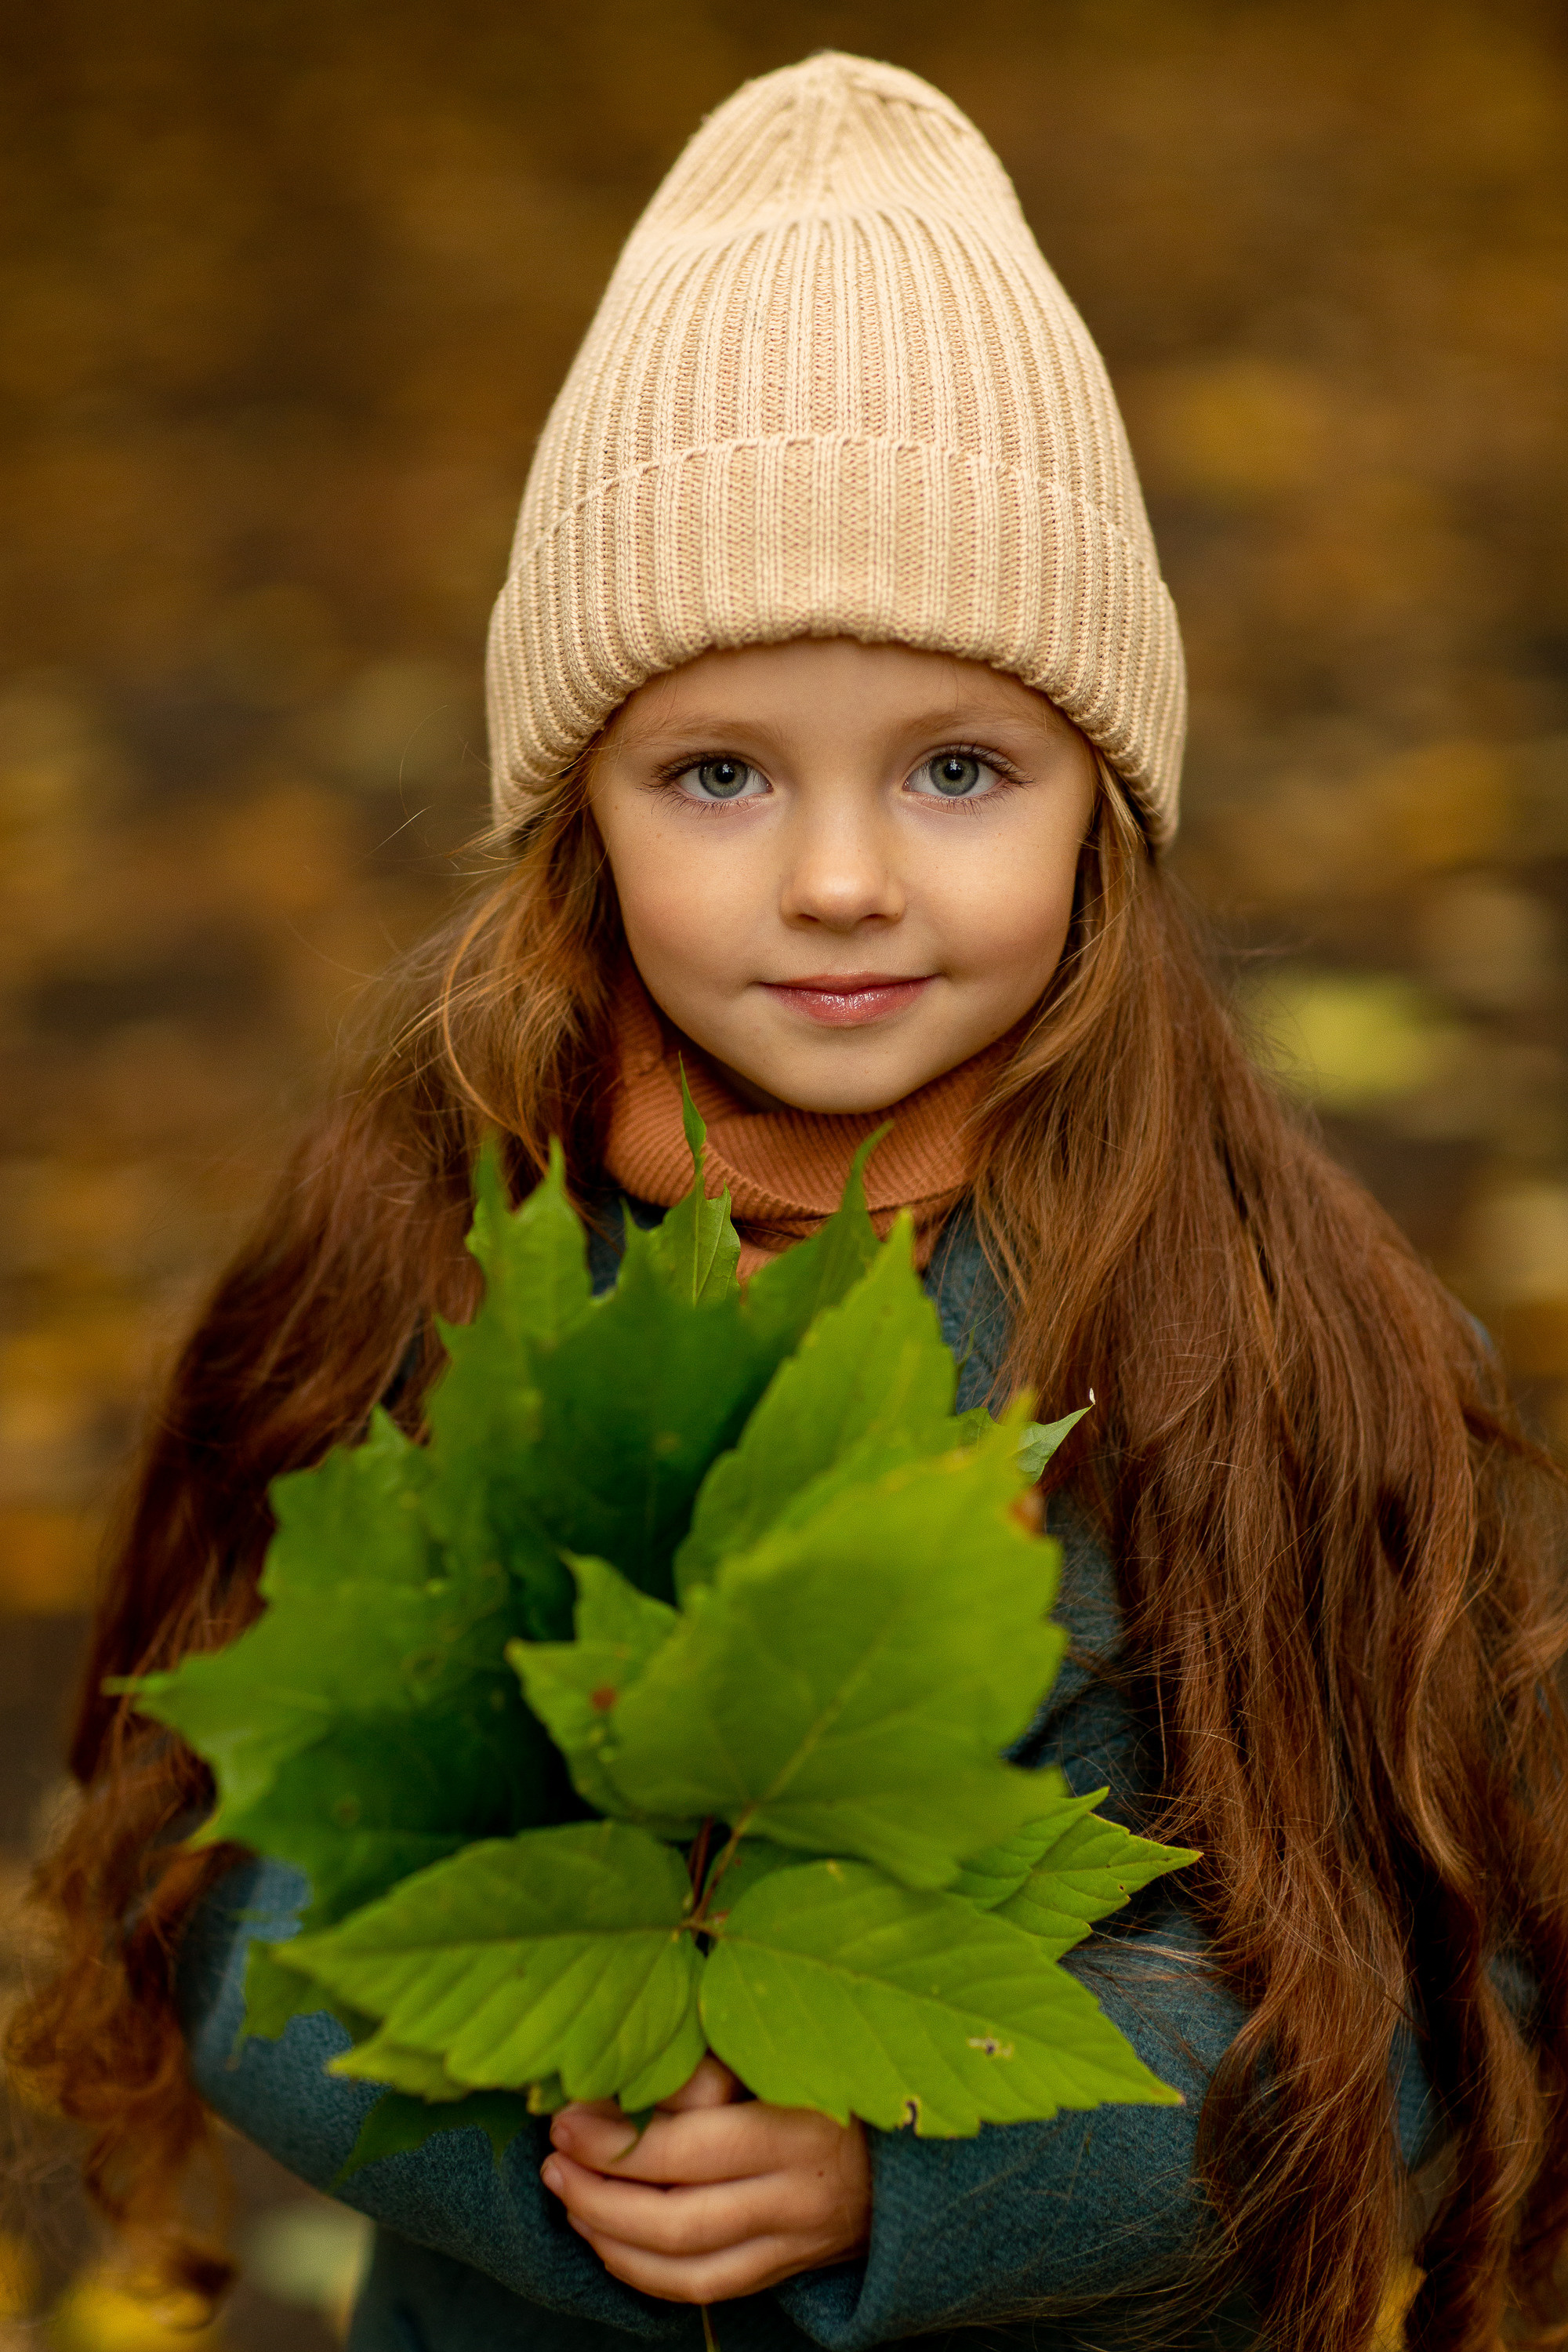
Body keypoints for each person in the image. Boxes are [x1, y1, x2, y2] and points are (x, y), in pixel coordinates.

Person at [12, 51, 1568, 2352]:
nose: (840, 880)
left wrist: (917, 2171)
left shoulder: (1268, 1330)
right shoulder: (429, 1264)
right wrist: (583, 2160)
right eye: (721, 771)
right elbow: (232, 1853)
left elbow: (1436, 1980)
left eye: (957, 767)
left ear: (1102, 813)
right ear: (583, 817)